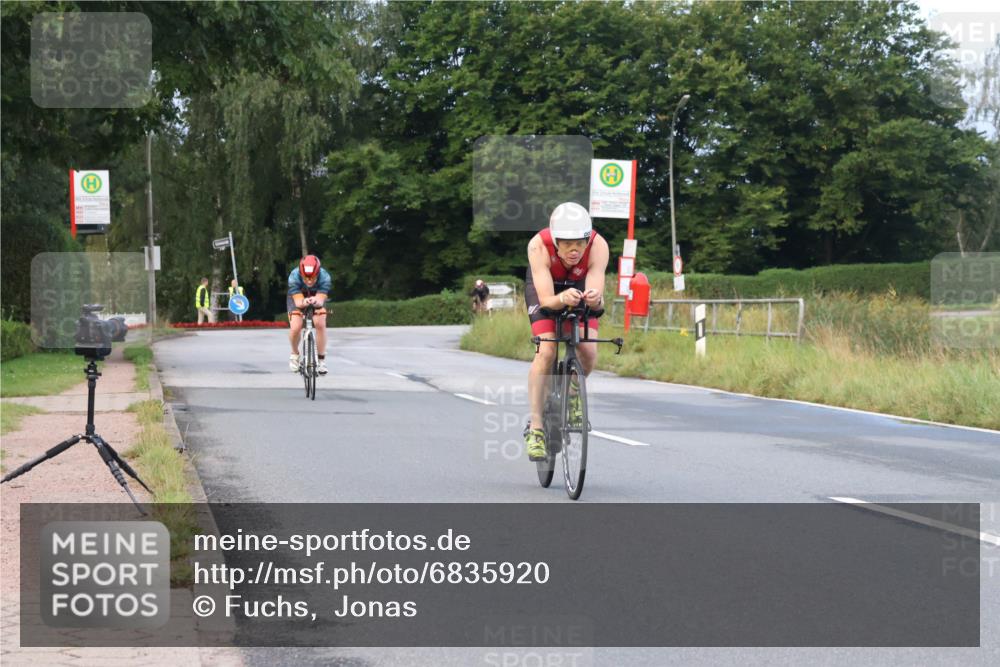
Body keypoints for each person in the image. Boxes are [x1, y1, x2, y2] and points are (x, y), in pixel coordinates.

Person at [523, 202, 609, 461]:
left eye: (580, 243)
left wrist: (595, 300)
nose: (574, 250)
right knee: (547, 351)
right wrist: (561, 298)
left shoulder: (599, 246)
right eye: (567, 243)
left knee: (589, 351)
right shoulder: (538, 246)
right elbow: (548, 300)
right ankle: (537, 428)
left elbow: (598, 300)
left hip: (578, 286)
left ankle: (571, 396)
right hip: (547, 290)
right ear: (555, 240)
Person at [287, 255, 332, 375]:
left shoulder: (325, 277)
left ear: (318, 273)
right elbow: (297, 301)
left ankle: (321, 360)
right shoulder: (294, 276)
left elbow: (321, 298)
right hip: (297, 297)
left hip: (316, 295)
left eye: (313, 278)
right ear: (301, 274)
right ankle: (295, 354)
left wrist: (316, 300)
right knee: (296, 327)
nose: (309, 281)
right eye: (306, 278)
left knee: (320, 323)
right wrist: (303, 302)